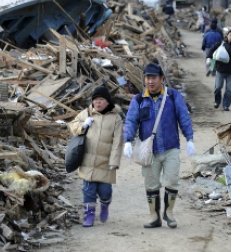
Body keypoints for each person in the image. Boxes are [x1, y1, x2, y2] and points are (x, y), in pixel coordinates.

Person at [123, 63, 194, 229]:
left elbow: (183, 117)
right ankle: (154, 216)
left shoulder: (173, 96)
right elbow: (131, 121)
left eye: (154, 78)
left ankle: (169, 213)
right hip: (149, 152)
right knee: (151, 184)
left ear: (161, 79)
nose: (150, 81)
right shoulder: (139, 99)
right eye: (147, 78)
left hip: (171, 147)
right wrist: (128, 140)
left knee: (172, 180)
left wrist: (189, 138)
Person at [68, 86, 123, 227]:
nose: (97, 102)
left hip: (105, 162)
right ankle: (89, 215)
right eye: (95, 100)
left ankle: (105, 204)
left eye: (101, 99)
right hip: (88, 160)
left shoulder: (115, 118)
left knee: (105, 191)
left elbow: (118, 141)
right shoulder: (87, 113)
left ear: (108, 101)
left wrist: (114, 161)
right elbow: (72, 125)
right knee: (88, 190)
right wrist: (83, 125)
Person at [207, 29, 231, 111]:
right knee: (218, 87)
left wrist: (225, 44)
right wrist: (209, 59)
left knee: (229, 90)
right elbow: (212, 50)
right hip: (220, 70)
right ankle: (217, 102)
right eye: (230, 35)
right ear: (227, 36)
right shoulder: (220, 43)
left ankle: (226, 105)